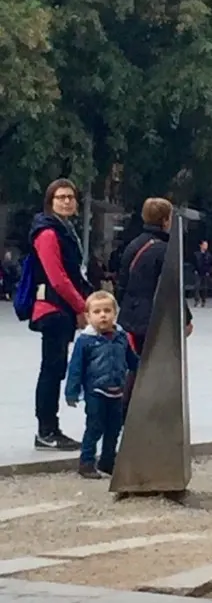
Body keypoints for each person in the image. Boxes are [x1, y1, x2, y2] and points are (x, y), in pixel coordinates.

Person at [28, 179, 93, 451]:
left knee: (55, 368)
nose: (66, 201)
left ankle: (49, 428)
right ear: (50, 201)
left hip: (61, 308)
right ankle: (46, 429)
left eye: (70, 197)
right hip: (53, 308)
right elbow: (58, 278)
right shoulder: (48, 233)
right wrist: (82, 307)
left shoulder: (64, 230)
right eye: (60, 197)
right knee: (52, 369)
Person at [65, 291, 139, 479]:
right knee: (95, 426)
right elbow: (75, 368)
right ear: (88, 317)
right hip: (95, 392)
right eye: (97, 312)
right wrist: (72, 391)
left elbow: (131, 360)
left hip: (117, 391)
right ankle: (87, 462)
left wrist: (143, 368)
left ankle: (108, 460)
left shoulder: (121, 337)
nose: (103, 315)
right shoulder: (85, 341)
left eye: (107, 310)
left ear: (115, 313)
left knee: (114, 428)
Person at [117, 198, 193, 356]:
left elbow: (122, 283)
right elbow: (173, 287)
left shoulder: (133, 245)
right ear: (165, 220)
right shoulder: (165, 250)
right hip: (154, 320)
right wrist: (186, 319)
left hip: (129, 316)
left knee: (133, 364)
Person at [193, 240, 212, 307]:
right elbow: (193, 263)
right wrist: (194, 270)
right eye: (204, 245)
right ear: (201, 245)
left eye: (206, 245)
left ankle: (203, 300)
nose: (206, 246)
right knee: (197, 286)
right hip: (198, 272)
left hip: (205, 273)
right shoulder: (196, 254)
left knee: (204, 287)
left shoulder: (209, 255)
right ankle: (197, 300)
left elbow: (211, 264)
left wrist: (209, 272)